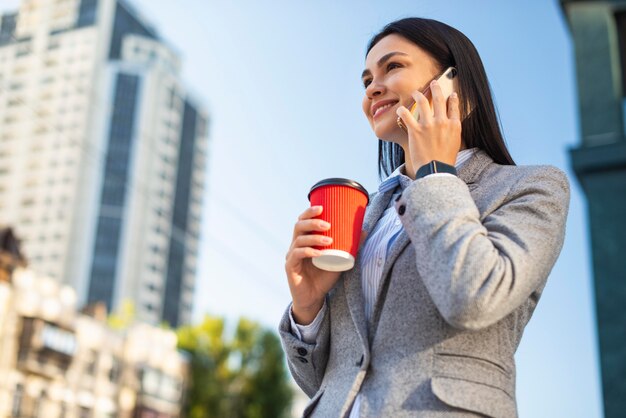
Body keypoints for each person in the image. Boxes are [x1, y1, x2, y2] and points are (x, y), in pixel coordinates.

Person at [280, 17, 570, 418]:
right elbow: (331, 383)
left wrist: (434, 172)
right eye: (366, 80)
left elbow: (473, 298)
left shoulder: (532, 187)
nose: (372, 88)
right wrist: (307, 310)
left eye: (392, 67)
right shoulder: (363, 218)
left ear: (456, 88)